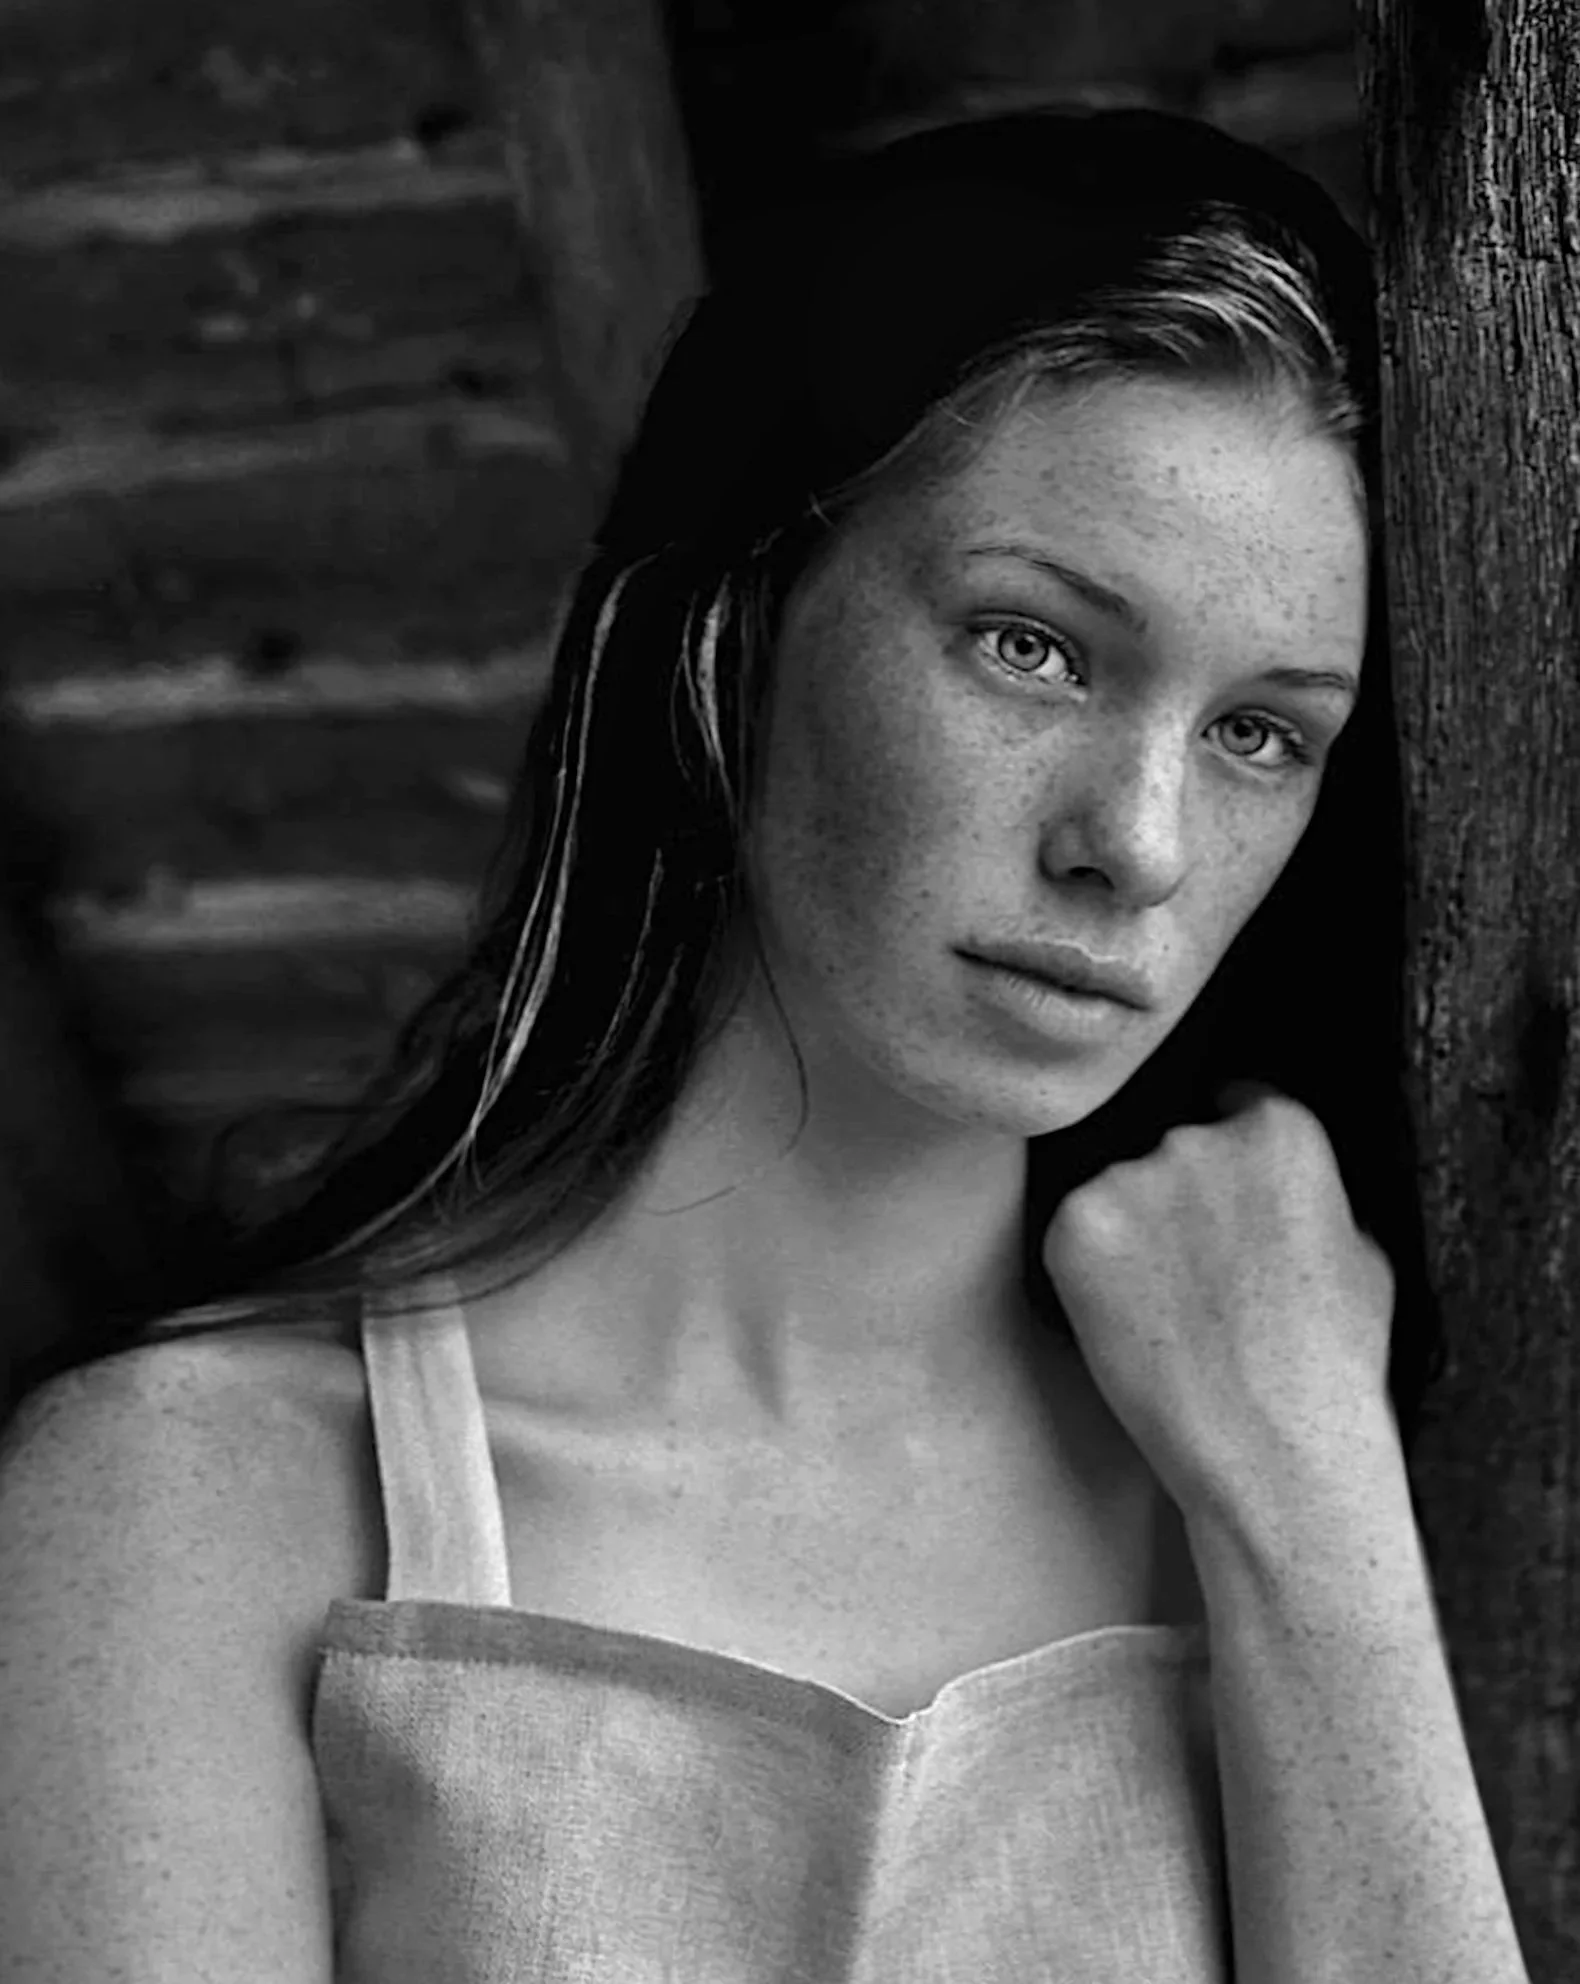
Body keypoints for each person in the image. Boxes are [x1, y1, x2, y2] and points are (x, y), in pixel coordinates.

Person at [0, 103, 1516, 1984]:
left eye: (1259, 734)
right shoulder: (190, 1500)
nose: (1136, 843)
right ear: (730, 629)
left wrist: (1312, 1500)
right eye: (1032, 646)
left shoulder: (1288, 1492)